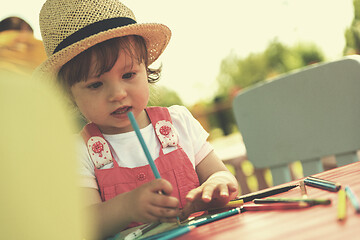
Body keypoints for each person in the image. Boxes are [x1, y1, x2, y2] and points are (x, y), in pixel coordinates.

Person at [35, 0, 239, 239]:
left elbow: (221, 174)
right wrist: (127, 206)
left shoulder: (178, 123)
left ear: (146, 69)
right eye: (96, 84)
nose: (118, 94)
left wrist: (218, 184)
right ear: (70, 94)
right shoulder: (80, 151)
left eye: (128, 74)